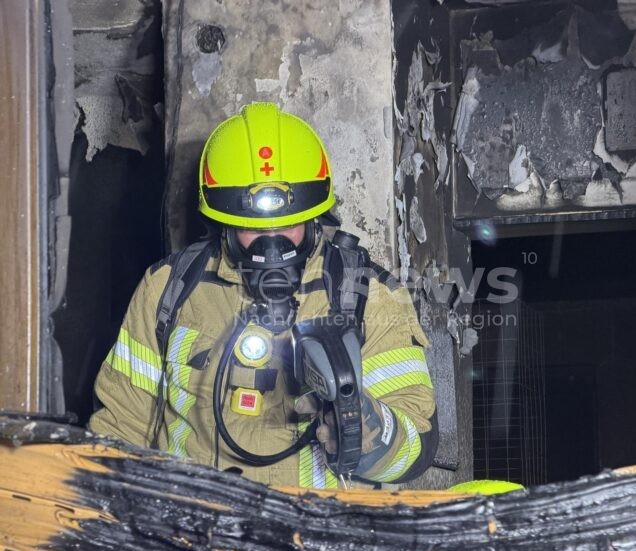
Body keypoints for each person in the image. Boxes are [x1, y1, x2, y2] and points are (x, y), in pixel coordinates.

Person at [89, 102, 437, 488]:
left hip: (319, 539)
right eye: (252, 228)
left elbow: (417, 446)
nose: (272, 244)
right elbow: (120, 428)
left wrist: (368, 431)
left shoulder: (367, 296)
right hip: (197, 534)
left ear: (315, 217)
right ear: (223, 223)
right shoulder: (169, 289)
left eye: (288, 224)